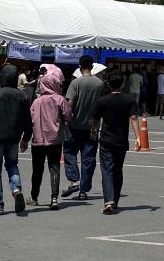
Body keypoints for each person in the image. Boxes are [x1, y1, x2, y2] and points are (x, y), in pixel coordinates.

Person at [0, 63, 33, 215]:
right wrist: (26, 138)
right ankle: (16, 190)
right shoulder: (22, 95)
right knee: (12, 165)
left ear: (2, 78)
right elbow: (27, 120)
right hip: (14, 137)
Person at [92, 71, 141, 215]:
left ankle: (109, 200)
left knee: (107, 170)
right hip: (121, 140)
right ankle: (115, 199)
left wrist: (93, 131)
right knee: (117, 170)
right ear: (123, 83)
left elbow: (96, 120)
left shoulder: (103, 101)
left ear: (108, 84)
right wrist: (138, 138)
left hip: (106, 139)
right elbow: (133, 119)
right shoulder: (129, 99)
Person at [62, 55, 106, 201]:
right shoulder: (99, 84)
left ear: (80, 67)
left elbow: (69, 105)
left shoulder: (75, 83)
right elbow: (101, 106)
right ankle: (84, 190)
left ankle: (74, 180)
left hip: (74, 125)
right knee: (88, 159)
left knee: (69, 152)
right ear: (92, 67)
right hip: (92, 126)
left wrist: (65, 121)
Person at [28, 66, 72, 209]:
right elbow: (68, 116)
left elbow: (31, 119)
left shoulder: (36, 101)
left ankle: (34, 197)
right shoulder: (60, 99)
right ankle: (54, 198)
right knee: (54, 167)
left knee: (37, 169)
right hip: (55, 139)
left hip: (38, 139)